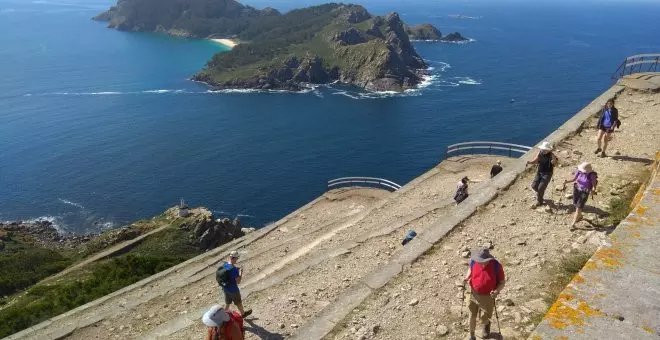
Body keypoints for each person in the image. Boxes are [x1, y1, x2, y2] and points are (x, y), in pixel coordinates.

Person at [463, 248, 506, 340]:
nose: (481, 263)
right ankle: (472, 335)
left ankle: (486, 325)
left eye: (483, 261)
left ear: (489, 259)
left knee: (484, 317)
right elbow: (470, 269)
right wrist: (467, 277)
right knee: (472, 315)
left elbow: (502, 282)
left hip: (487, 296)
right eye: (479, 261)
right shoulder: (474, 261)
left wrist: (496, 291)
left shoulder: (496, 266)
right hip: (472, 293)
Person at [563, 162, 598, 229]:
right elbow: (574, 179)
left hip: (585, 192)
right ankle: (580, 216)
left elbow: (594, 186)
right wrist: (567, 182)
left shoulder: (591, 175)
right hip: (576, 189)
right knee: (575, 204)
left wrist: (593, 191)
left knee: (578, 207)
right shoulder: (579, 172)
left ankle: (573, 224)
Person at [218, 251, 252, 318]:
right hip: (233, 290)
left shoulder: (225, 264)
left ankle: (224, 315)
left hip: (225, 288)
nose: (237, 260)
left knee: (228, 302)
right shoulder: (233, 269)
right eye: (237, 258)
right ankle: (243, 314)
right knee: (238, 302)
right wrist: (240, 272)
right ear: (234, 258)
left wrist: (236, 269)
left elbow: (229, 271)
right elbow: (238, 281)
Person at [526, 141, 558, 208]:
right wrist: (530, 162)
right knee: (534, 186)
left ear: (549, 150)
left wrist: (553, 162)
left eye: (545, 149)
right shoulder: (540, 153)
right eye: (543, 149)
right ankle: (540, 194)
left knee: (540, 188)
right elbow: (536, 160)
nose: (544, 150)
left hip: (547, 173)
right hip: (539, 171)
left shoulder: (552, 155)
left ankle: (539, 201)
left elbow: (555, 164)